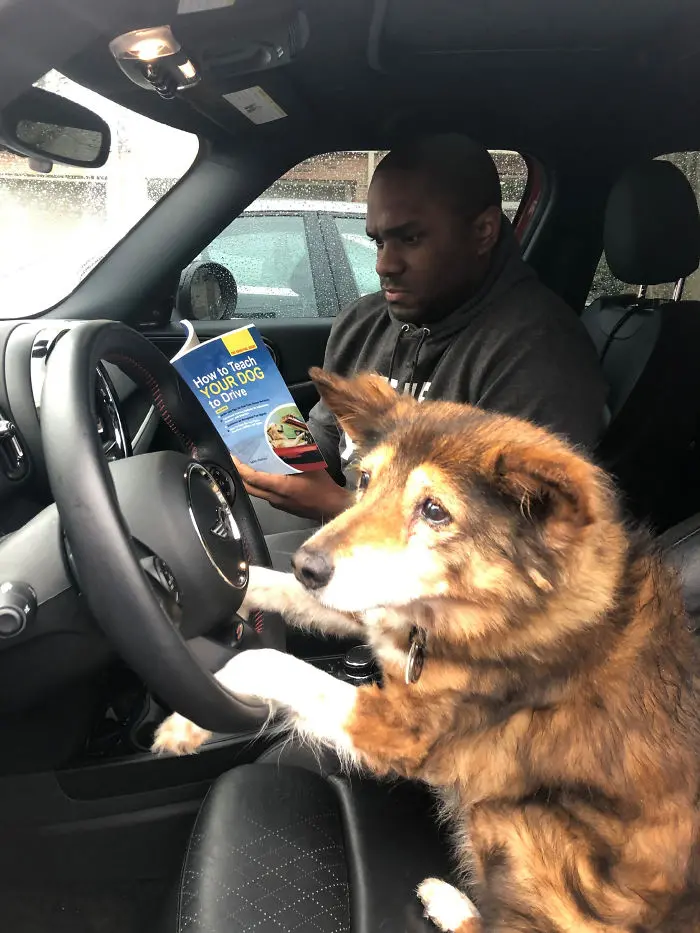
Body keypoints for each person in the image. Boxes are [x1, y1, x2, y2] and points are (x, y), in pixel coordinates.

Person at [235, 134, 607, 569]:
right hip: (346, 525)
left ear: (483, 232)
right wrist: (269, 455)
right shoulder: (362, 322)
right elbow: (328, 439)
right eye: (377, 241)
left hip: (439, 584)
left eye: (409, 239)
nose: (384, 264)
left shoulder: (540, 355)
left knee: (230, 576)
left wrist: (336, 505)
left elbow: (508, 547)